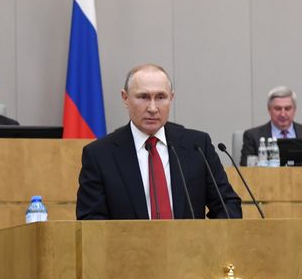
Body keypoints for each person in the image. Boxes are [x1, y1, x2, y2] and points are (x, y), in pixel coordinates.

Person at [77, 64, 242, 220]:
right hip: (128, 249)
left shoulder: (198, 146)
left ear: (171, 98)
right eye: (143, 97)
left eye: (161, 97)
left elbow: (228, 205)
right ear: (125, 98)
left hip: (190, 248)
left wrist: (205, 243)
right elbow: (91, 221)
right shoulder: (99, 155)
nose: (153, 108)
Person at [240, 86, 302, 165]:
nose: (283, 114)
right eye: (278, 109)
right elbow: (245, 170)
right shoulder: (253, 136)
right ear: (269, 109)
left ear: (294, 110)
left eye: (287, 108)